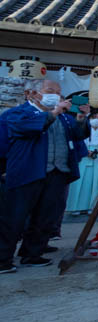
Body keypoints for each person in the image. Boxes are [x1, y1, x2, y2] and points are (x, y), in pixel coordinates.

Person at [0, 79, 90, 272]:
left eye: (58, 92)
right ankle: (2, 258)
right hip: (27, 172)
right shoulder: (18, 113)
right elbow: (24, 129)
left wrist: (81, 119)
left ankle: (32, 254)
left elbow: (78, 135)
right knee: (14, 216)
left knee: (45, 216)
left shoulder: (65, 118)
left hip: (57, 173)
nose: (55, 95)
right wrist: (54, 112)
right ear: (32, 94)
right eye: (50, 90)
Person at [65, 111, 98, 214]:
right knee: (80, 181)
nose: (97, 119)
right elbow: (76, 143)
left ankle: (94, 207)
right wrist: (85, 151)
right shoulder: (82, 131)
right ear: (89, 119)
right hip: (83, 157)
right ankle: (76, 207)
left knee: (97, 182)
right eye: (94, 117)